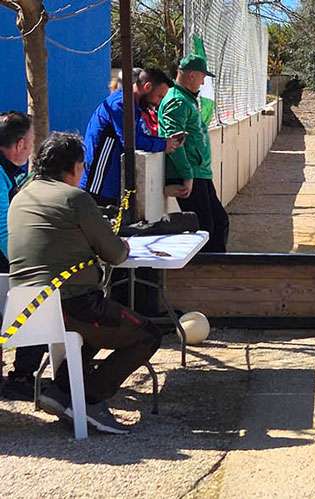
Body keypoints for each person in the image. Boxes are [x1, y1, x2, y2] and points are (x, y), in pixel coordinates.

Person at [8, 132, 162, 434]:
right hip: (71, 305)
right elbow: (116, 253)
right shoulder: (75, 198)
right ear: (75, 167)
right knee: (147, 334)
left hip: (25, 309)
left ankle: (60, 390)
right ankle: (87, 399)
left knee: (92, 330)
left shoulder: (21, 195)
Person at [81, 67, 183, 207]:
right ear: (147, 86)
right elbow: (131, 140)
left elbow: (140, 135)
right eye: (159, 96)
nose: (159, 102)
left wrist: (164, 142)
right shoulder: (121, 104)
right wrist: (163, 145)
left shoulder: (133, 106)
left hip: (111, 180)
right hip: (100, 181)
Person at [159, 54, 229, 252]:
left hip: (199, 171)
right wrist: (187, 175)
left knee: (218, 221)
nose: (203, 81)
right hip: (190, 173)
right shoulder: (178, 101)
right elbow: (175, 141)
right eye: (202, 77)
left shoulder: (186, 100)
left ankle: (217, 265)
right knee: (205, 226)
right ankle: (206, 270)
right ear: (191, 75)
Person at [0, 111, 44, 401]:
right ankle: (21, 377)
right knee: (42, 301)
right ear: (19, 146)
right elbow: (3, 232)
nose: (31, 148)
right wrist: (28, 266)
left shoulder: (10, 173)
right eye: (30, 142)